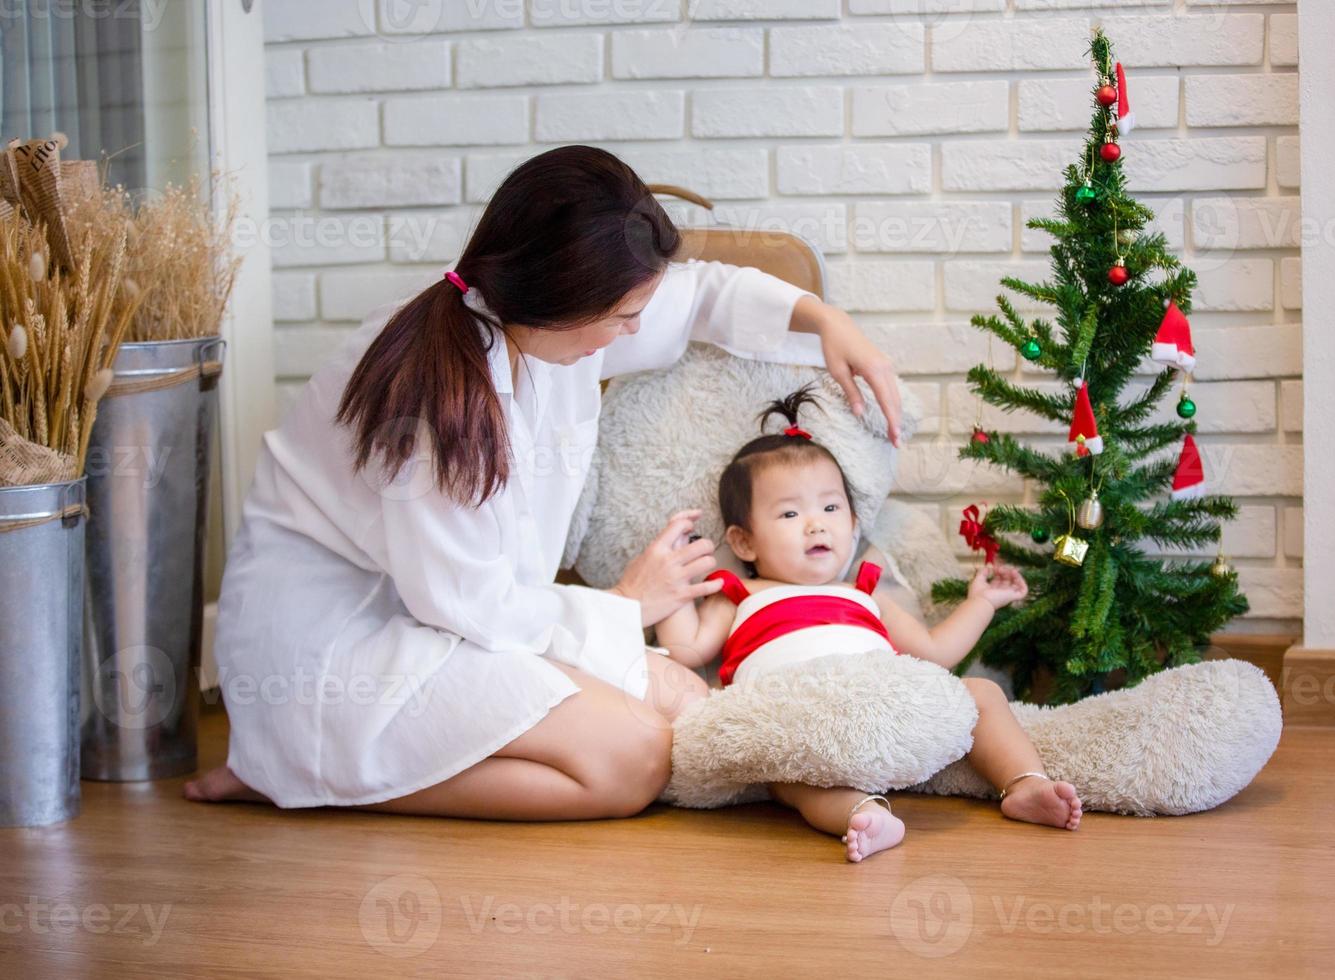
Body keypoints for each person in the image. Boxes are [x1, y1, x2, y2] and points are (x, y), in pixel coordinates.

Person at [183, 145, 904, 819]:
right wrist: (624, 608)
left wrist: (825, 320)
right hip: (337, 647)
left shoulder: (535, 321)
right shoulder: (439, 401)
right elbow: (473, 606)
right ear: (564, 299)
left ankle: (303, 767)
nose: (633, 333)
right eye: (622, 318)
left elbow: (700, 299)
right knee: (633, 756)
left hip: (437, 616)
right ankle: (300, 770)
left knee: (664, 709)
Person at [653, 386, 1082, 862]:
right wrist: (674, 584)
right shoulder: (741, 594)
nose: (816, 525)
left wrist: (981, 602)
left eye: (831, 508)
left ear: (854, 523)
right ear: (744, 541)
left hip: (881, 703)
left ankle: (1024, 783)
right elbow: (687, 651)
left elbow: (935, 653)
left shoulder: (864, 591)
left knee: (980, 694)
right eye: (791, 513)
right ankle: (863, 812)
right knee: (789, 781)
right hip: (802, 723)